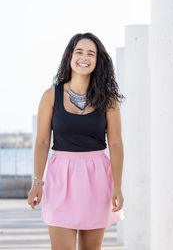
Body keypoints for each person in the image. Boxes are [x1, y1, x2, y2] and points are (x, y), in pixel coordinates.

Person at [27, 32, 126, 250]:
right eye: (79, 51)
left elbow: (116, 143)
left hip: (97, 178)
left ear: (97, 60)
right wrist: (37, 182)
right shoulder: (50, 96)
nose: (84, 57)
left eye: (91, 53)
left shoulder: (108, 99)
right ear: (70, 57)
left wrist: (117, 186)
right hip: (60, 177)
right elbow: (43, 142)